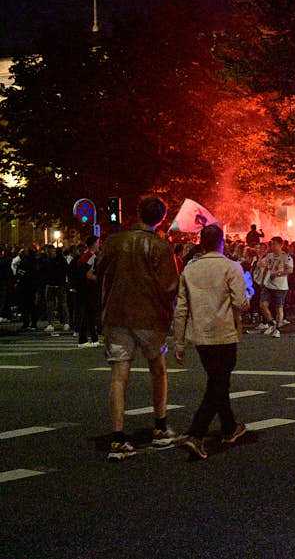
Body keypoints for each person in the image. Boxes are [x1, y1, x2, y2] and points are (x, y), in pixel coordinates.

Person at [95, 196, 181, 460]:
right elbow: (169, 286)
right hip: (149, 315)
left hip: (117, 314)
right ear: (162, 218)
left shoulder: (115, 241)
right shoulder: (159, 246)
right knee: (158, 369)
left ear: (137, 212)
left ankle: (118, 437)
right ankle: (160, 425)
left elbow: (98, 270)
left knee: (119, 375)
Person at [173, 224, 249, 460]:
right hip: (224, 332)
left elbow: (181, 307)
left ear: (201, 242)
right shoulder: (230, 267)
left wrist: (178, 341)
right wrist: (247, 292)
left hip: (200, 334)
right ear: (222, 242)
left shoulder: (190, 270)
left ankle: (229, 427)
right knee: (219, 382)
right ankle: (195, 432)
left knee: (218, 380)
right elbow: (240, 302)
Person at [257, 237, 293, 338]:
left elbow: (290, 270)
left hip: (280, 286)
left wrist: (278, 273)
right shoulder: (269, 256)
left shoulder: (286, 257)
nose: (272, 246)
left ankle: (277, 329)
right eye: (271, 244)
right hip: (268, 285)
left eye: (274, 244)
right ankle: (272, 323)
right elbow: (261, 265)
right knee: (263, 305)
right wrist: (263, 280)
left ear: (280, 245)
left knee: (279, 308)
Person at [72, 236, 101, 348]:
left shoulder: (84, 256)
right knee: (89, 313)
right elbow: (88, 274)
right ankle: (86, 339)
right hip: (88, 289)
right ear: (93, 244)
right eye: (98, 242)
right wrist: (99, 279)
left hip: (82, 288)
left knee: (88, 313)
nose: (99, 244)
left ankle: (91, 339)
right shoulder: (91, 257)